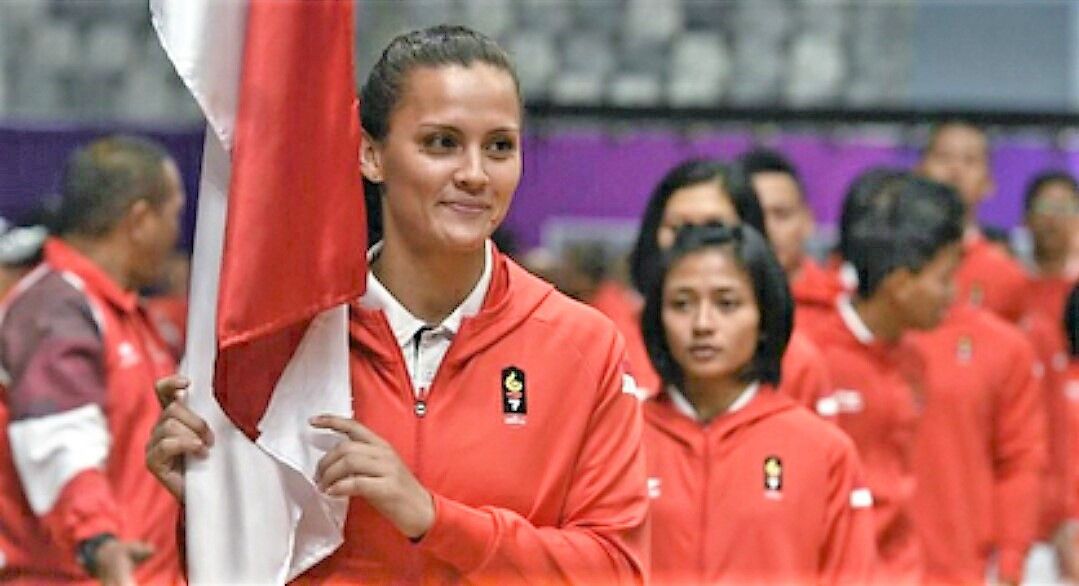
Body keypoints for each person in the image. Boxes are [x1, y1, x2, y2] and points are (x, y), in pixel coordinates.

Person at [146, 25, 649, 583]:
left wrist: (434, 519)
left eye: (500, 146)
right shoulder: (288, 340)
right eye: (442, 143)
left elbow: (617, 570)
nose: (475, 174)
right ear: (370, 154)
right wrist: (213, 506)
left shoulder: (582, 344)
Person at [641, 222, 877, 585]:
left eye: (727, 303)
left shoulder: (824, 450)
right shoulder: (620, 440)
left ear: (764, 317)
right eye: (681, 304)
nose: (702, 324)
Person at [0, 136, 185, 584]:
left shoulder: (132, 315)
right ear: (139, 220)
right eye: (173, 214)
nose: (176, 233)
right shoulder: (54, 309)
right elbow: (59, 438)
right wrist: (98, 544)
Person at [802, 171, 966, 584]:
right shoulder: (811, 357)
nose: (953, 293)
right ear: (899, 285)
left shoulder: (914, 359)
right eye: (944, 278)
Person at [624, 159, 835, 414]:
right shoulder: (611, 342)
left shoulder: (797, 362)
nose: (695, 244)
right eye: (679, 229)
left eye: (714, 227)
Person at [918, 120, 1029, 323]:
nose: (955, 170)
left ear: (988, 183)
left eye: (970, 160)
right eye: (943, 157)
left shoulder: (1008, 274)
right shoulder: (890, 263)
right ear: (918, 172)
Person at [1023, 170, 1079, 328]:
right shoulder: (1008, 279)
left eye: (1065, 208)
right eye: (1045, 207)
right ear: (1026, 218)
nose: (1053, 218)